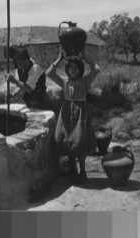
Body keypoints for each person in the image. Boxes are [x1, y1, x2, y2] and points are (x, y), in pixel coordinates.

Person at [46, 47, 100, 182]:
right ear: (67, 69)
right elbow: (49, 73)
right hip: (66, 114)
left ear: (80, 69)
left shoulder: (85, 81)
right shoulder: (64, 81)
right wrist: (60, 58)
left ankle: (83, 171)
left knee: (79, 142)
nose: (73, 69)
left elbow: (96, 69)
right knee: (67, 141)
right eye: (71, 67)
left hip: (81, 114)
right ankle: (73, 170)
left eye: (76, 67)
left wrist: (84, 57)